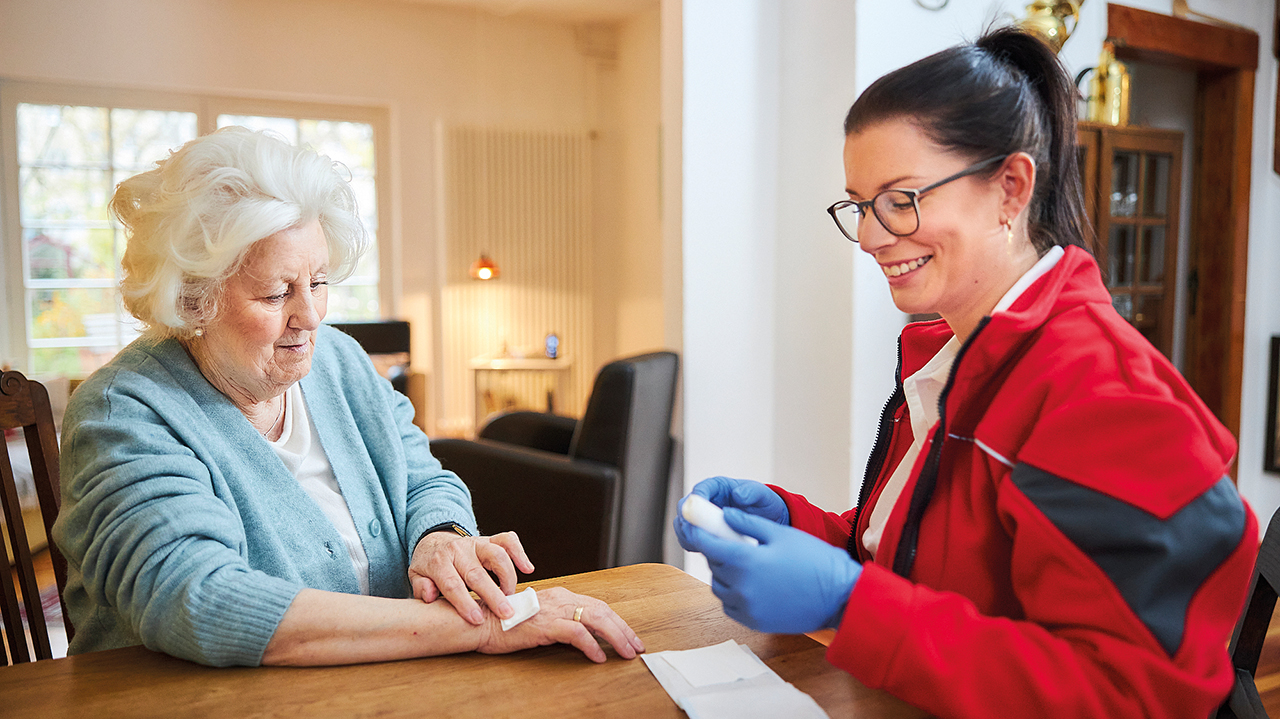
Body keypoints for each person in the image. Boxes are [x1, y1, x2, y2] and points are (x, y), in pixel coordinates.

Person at [674, 26, 1255, 718]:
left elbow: (1129, 697)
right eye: (860, 205)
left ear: (1011, 188)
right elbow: (928, 567)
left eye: (901, 199)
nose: (870, 236)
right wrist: (803, 531)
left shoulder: (1100, 393)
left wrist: (847, 601)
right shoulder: (952, 359)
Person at [53, 126, 644, 668]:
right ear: (192, 299)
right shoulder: (123, 413)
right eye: (276, 293)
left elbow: (422, 476)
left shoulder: (339, 360)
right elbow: (203, 601)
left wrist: (441, 536)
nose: (310, 316)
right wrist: (483, 627)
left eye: (317, 282)